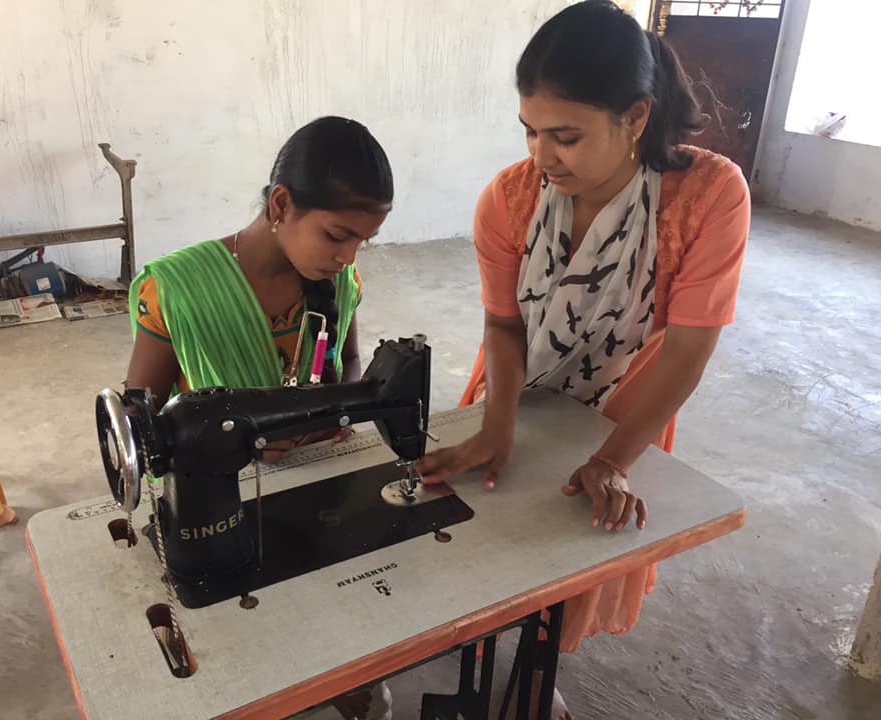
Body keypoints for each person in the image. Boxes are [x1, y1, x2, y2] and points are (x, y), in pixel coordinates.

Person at [418, 1, 750, 717]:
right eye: (530, 131)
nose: (542, 157)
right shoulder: (510, 198)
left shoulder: (707, 196)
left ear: (635, 117)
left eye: (565, 136)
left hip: (627, 400)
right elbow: (503, 324)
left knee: (575, 548)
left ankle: (538, 676)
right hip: (516, 385)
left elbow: (689, 347)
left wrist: (614, 457)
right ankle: (482, 650)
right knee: (489, 535)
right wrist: (498, 423)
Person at [125, 116, 394, 720]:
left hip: (317, 481)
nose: (348, 257)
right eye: (337, 236)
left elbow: (349, 366)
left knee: (341, 607)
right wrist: (237, 442)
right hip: (218, 503)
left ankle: (336, 673)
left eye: (363, 242)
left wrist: (335, 413)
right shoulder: (176, 288)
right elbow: (142, 427)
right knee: (246, 646)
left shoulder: (338, 280)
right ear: (280, 205)